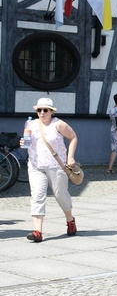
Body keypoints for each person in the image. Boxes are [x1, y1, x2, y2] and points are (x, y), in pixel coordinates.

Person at [20, 98, 79, 242]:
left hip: (56, 166)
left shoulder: (58, 124)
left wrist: (70, 157)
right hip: (36, 166)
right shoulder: (30, 124)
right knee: (37, 196)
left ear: (52, 111)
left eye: (45, 110)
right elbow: (27, 143)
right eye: (39, 110)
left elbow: (73, 137)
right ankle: (38, 231)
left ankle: (70, 220)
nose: (41, 113)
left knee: (61, 195)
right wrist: (23, 143)